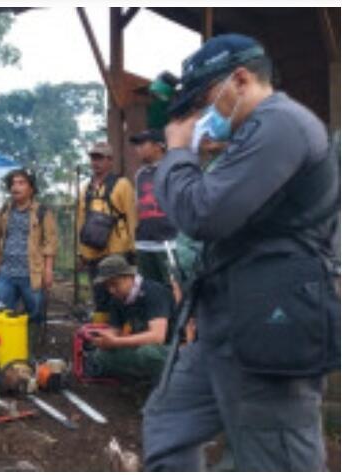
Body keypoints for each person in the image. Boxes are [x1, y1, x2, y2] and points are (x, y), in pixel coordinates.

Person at [144, 34, 338, 471]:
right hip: (229, 320)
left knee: (275, 454)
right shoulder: (253, 134)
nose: (198, 117)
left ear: (241, 80)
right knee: (169, 421)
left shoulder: (281, 124)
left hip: (273, 320)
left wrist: (176, 151)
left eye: (205, 100)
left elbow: (201, 213)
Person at [0, 169, 57, 355]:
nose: (15, 187)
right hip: (6, 272)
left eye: (21, 183)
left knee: (35, 313)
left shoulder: (43, 212)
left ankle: (29, 351)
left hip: (32, 273)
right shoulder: (4, 211)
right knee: (0, 311)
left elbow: (49, 243)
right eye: (13, 183)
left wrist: (48, 270)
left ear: (31, 188)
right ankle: (4, 351)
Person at [84, 254, 171, 382]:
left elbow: (158, 336)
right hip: (140, 348)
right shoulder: (116, 300)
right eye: (107, 286)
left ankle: (164, 382)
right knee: (100, 356)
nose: (111, 290)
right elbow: (115, 331)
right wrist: (102, 339)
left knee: (148, 354)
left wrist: (116, 342)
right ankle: (142, 378)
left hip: (170, 348)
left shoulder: (153, 292)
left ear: (128, 277)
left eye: (114, 284)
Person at [76, 142, 137, 323]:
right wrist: (81, 253)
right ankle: (101, 336)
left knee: (121, 296)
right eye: (93, 158)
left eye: (100, 158)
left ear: (110, 160)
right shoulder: (86, 189)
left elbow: (132, 216)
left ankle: (123, 334)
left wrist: (134, 248)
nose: (96, 162)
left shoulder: (122, 184)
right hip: (93, 252)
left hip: (117, 251)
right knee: (100, 297)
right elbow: (81, 221)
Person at [130, 129, 176, 286]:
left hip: (169, 243)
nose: (138, 149)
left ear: (158, 146)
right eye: (137, 145)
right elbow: (138, 206)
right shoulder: (140, 174)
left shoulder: (173, 170)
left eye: (143, 144)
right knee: (149, 291)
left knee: (173, 289)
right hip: (144, 243)